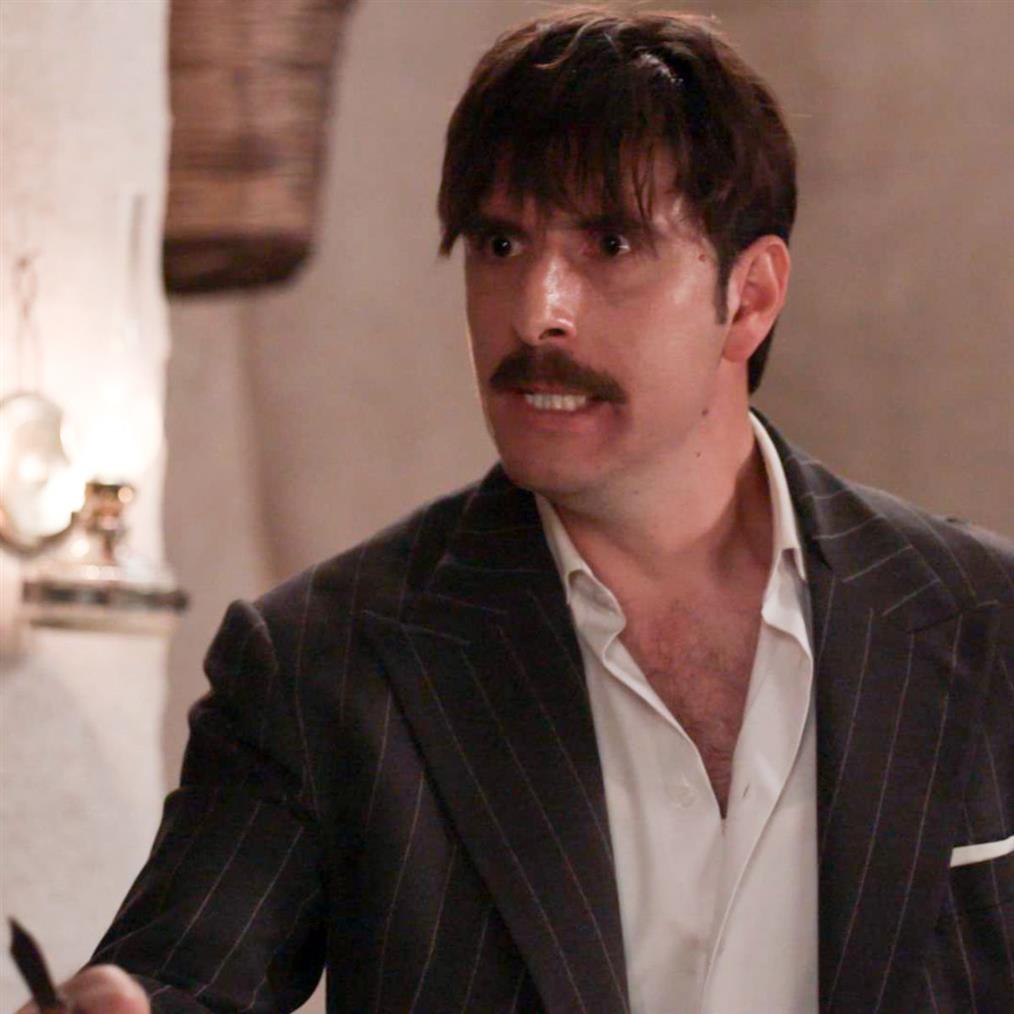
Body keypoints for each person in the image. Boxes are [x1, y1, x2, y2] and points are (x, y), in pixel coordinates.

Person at [23, 7, 1012, 1013]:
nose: (537, 310)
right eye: (500, 243)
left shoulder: (985, 621)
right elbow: (182, 984)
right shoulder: (323, 662)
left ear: (749, 296)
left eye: (611, 243)